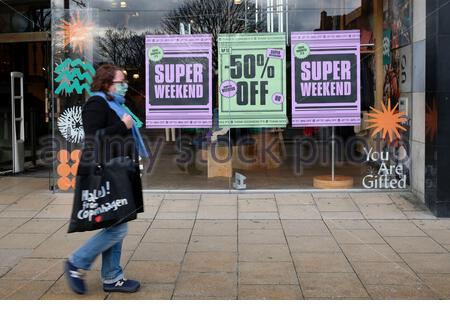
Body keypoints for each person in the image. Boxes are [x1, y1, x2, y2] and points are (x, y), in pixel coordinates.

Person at [64, 64, 148, 294]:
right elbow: (93, 138)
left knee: (117, 221)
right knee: (118, 228)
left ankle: (112, 276)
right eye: (121, 82)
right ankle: (77, 262)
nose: (125, 86)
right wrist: (122, 126)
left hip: (119, 170)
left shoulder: (116, 104)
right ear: (107, 83)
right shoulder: (96, 103)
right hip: (106, 173)